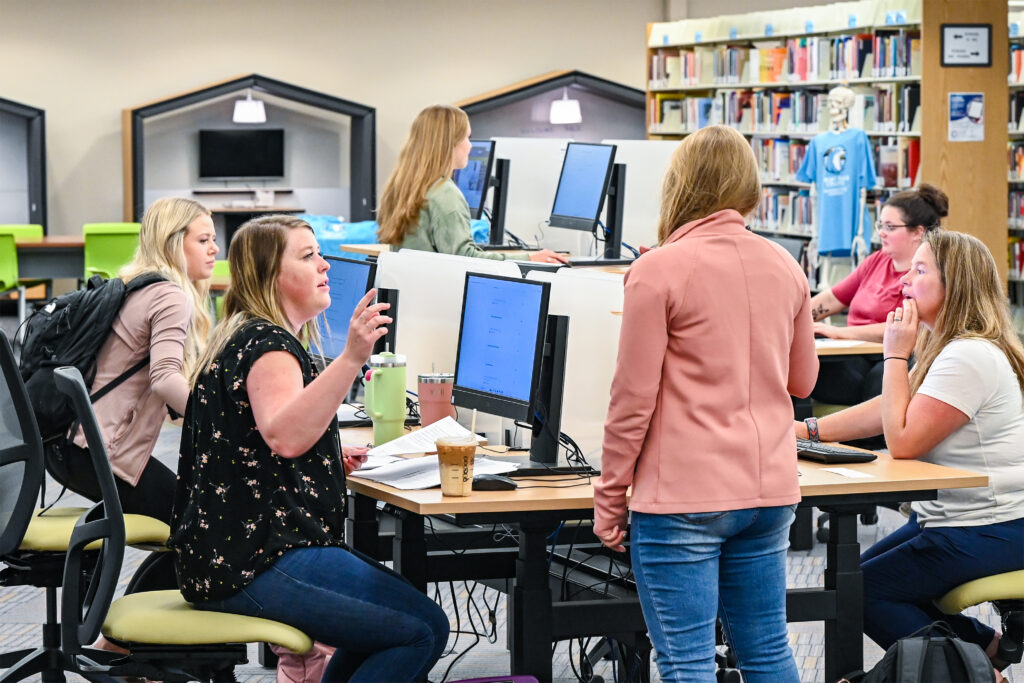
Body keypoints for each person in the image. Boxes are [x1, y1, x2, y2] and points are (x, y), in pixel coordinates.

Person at [169, 215, 449, 682]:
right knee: (421, 630)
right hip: (252, 561)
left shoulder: (242, 333)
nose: (324, 266)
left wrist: (326, 456)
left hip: (228, 552)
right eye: (307, 256)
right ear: (271, 277)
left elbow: (255, 444)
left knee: (395, 626)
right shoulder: (270, 347)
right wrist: (352, 357)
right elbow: (285, 437)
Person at [593, 125, 819, 682]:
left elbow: (632, 401)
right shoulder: (786, 266)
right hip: (768, 490)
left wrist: (610, 494)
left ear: (680, 184)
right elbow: (803, 380)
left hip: (684, 498)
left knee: (686, 660)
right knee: (767, 651)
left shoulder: (658, 269)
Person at [795, 230, 1024, 680]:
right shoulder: (951, 345)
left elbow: (901, 440)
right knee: (852, 579)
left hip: (992, 525)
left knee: (857, 593)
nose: (904, 282)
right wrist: (807, 430)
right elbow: (889, 410)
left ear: (952, 285)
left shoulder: (967, 356)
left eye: (920, 271)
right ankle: (986, 649)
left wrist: (895, 354)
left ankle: (971, 672)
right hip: (957, 517)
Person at [45, 196, 217, 591]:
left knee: (187, 522)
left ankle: (123, 636)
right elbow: (164, 380)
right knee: (201, 523)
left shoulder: (132, 284)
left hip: (65, 445)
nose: (214, 249)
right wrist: (223, 421)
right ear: (175, 243)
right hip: (96, 452)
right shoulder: (170, 296)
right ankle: (123, 639)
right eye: (204, 240)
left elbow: (148, 387)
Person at [377, 104, 567, 265]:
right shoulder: (444, 194)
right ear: (449, 142)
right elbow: (464, 259)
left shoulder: (404, 188)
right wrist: (529, 258)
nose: (470, 146)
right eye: (467, 137)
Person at [810, 184, 947, 406]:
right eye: (880, 225)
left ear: (918, 233)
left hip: (892, 355)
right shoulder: (877, 260)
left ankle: (867, 437)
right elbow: (833, 298)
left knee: (881, 382)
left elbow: (905, 326)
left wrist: (840, 332)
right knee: (794, 360)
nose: (881, 233)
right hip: (853, 354)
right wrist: (795, 319)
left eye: (890, 227)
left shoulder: (926, 275)